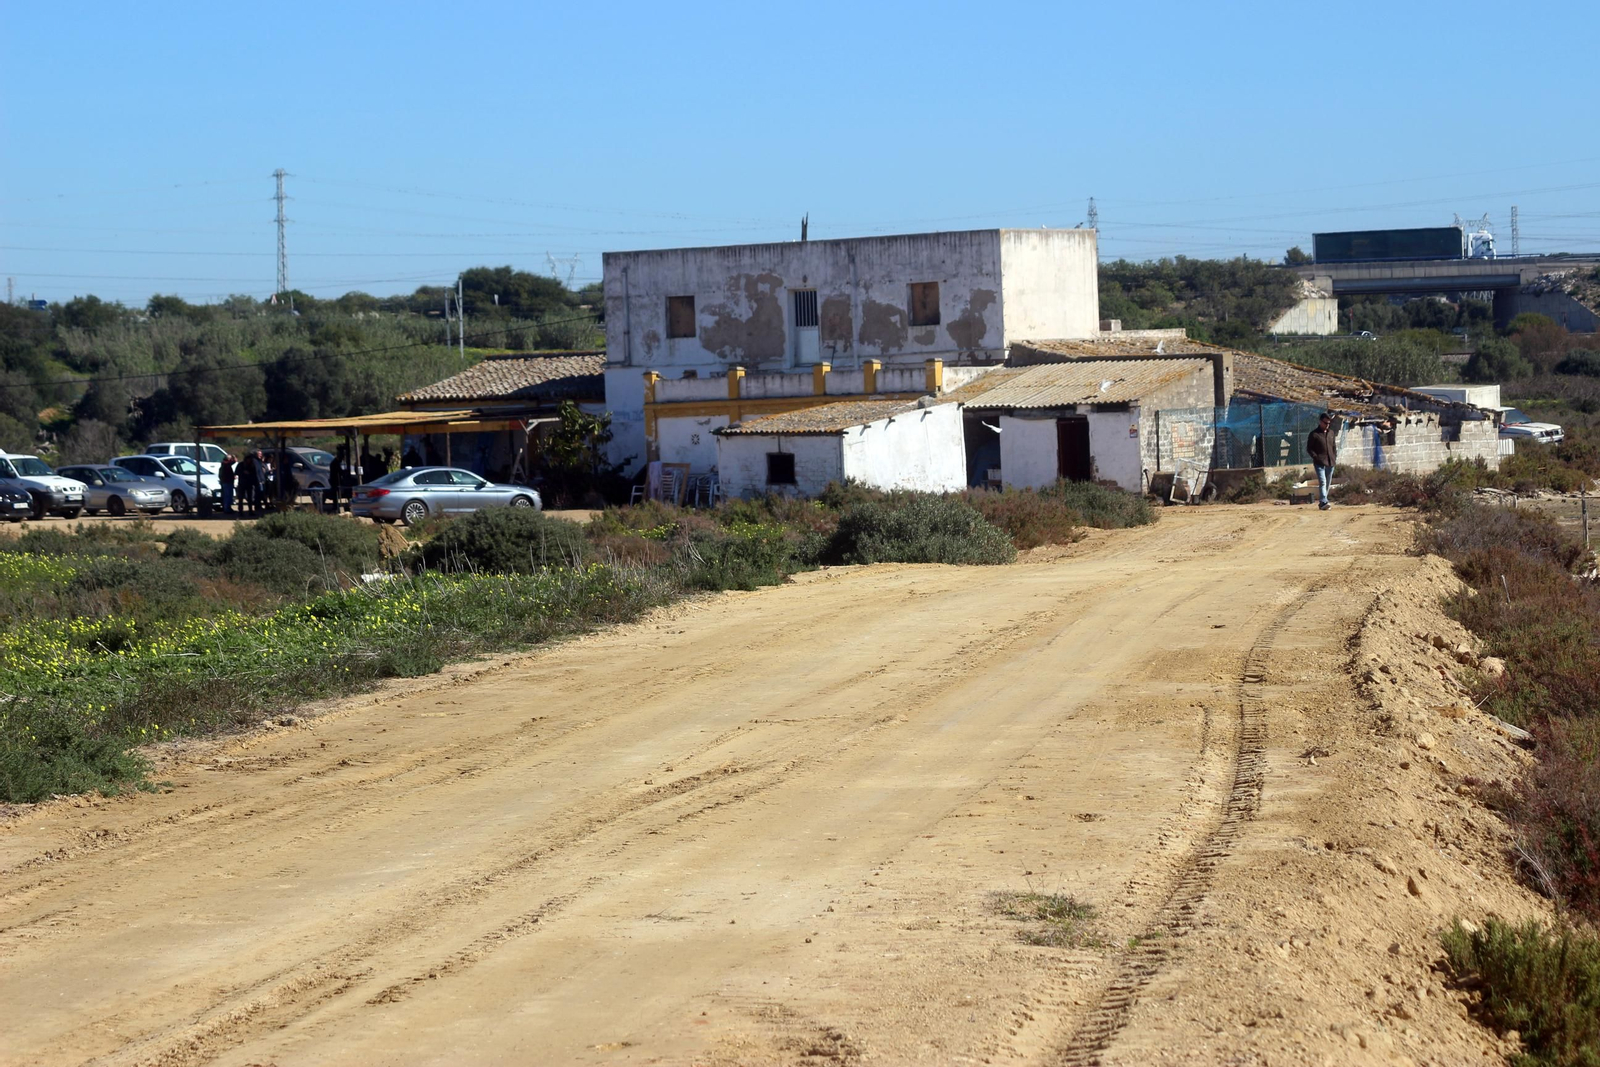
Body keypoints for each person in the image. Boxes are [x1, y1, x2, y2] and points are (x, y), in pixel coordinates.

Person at [1308, 412, 1338, 511]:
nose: (1327, 425)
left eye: (1329, 423)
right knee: (1323, 481)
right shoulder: (1314, 434)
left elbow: (1333, 447)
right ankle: (1324, 501)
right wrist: (1315, 457)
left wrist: (1334, 457)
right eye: (1325, 423)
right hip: (1319, 463)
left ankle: (1322, 502)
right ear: (1320, 422)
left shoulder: (1331, 433)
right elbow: (1309, 448)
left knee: (1328, 483)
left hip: (1330, 462)